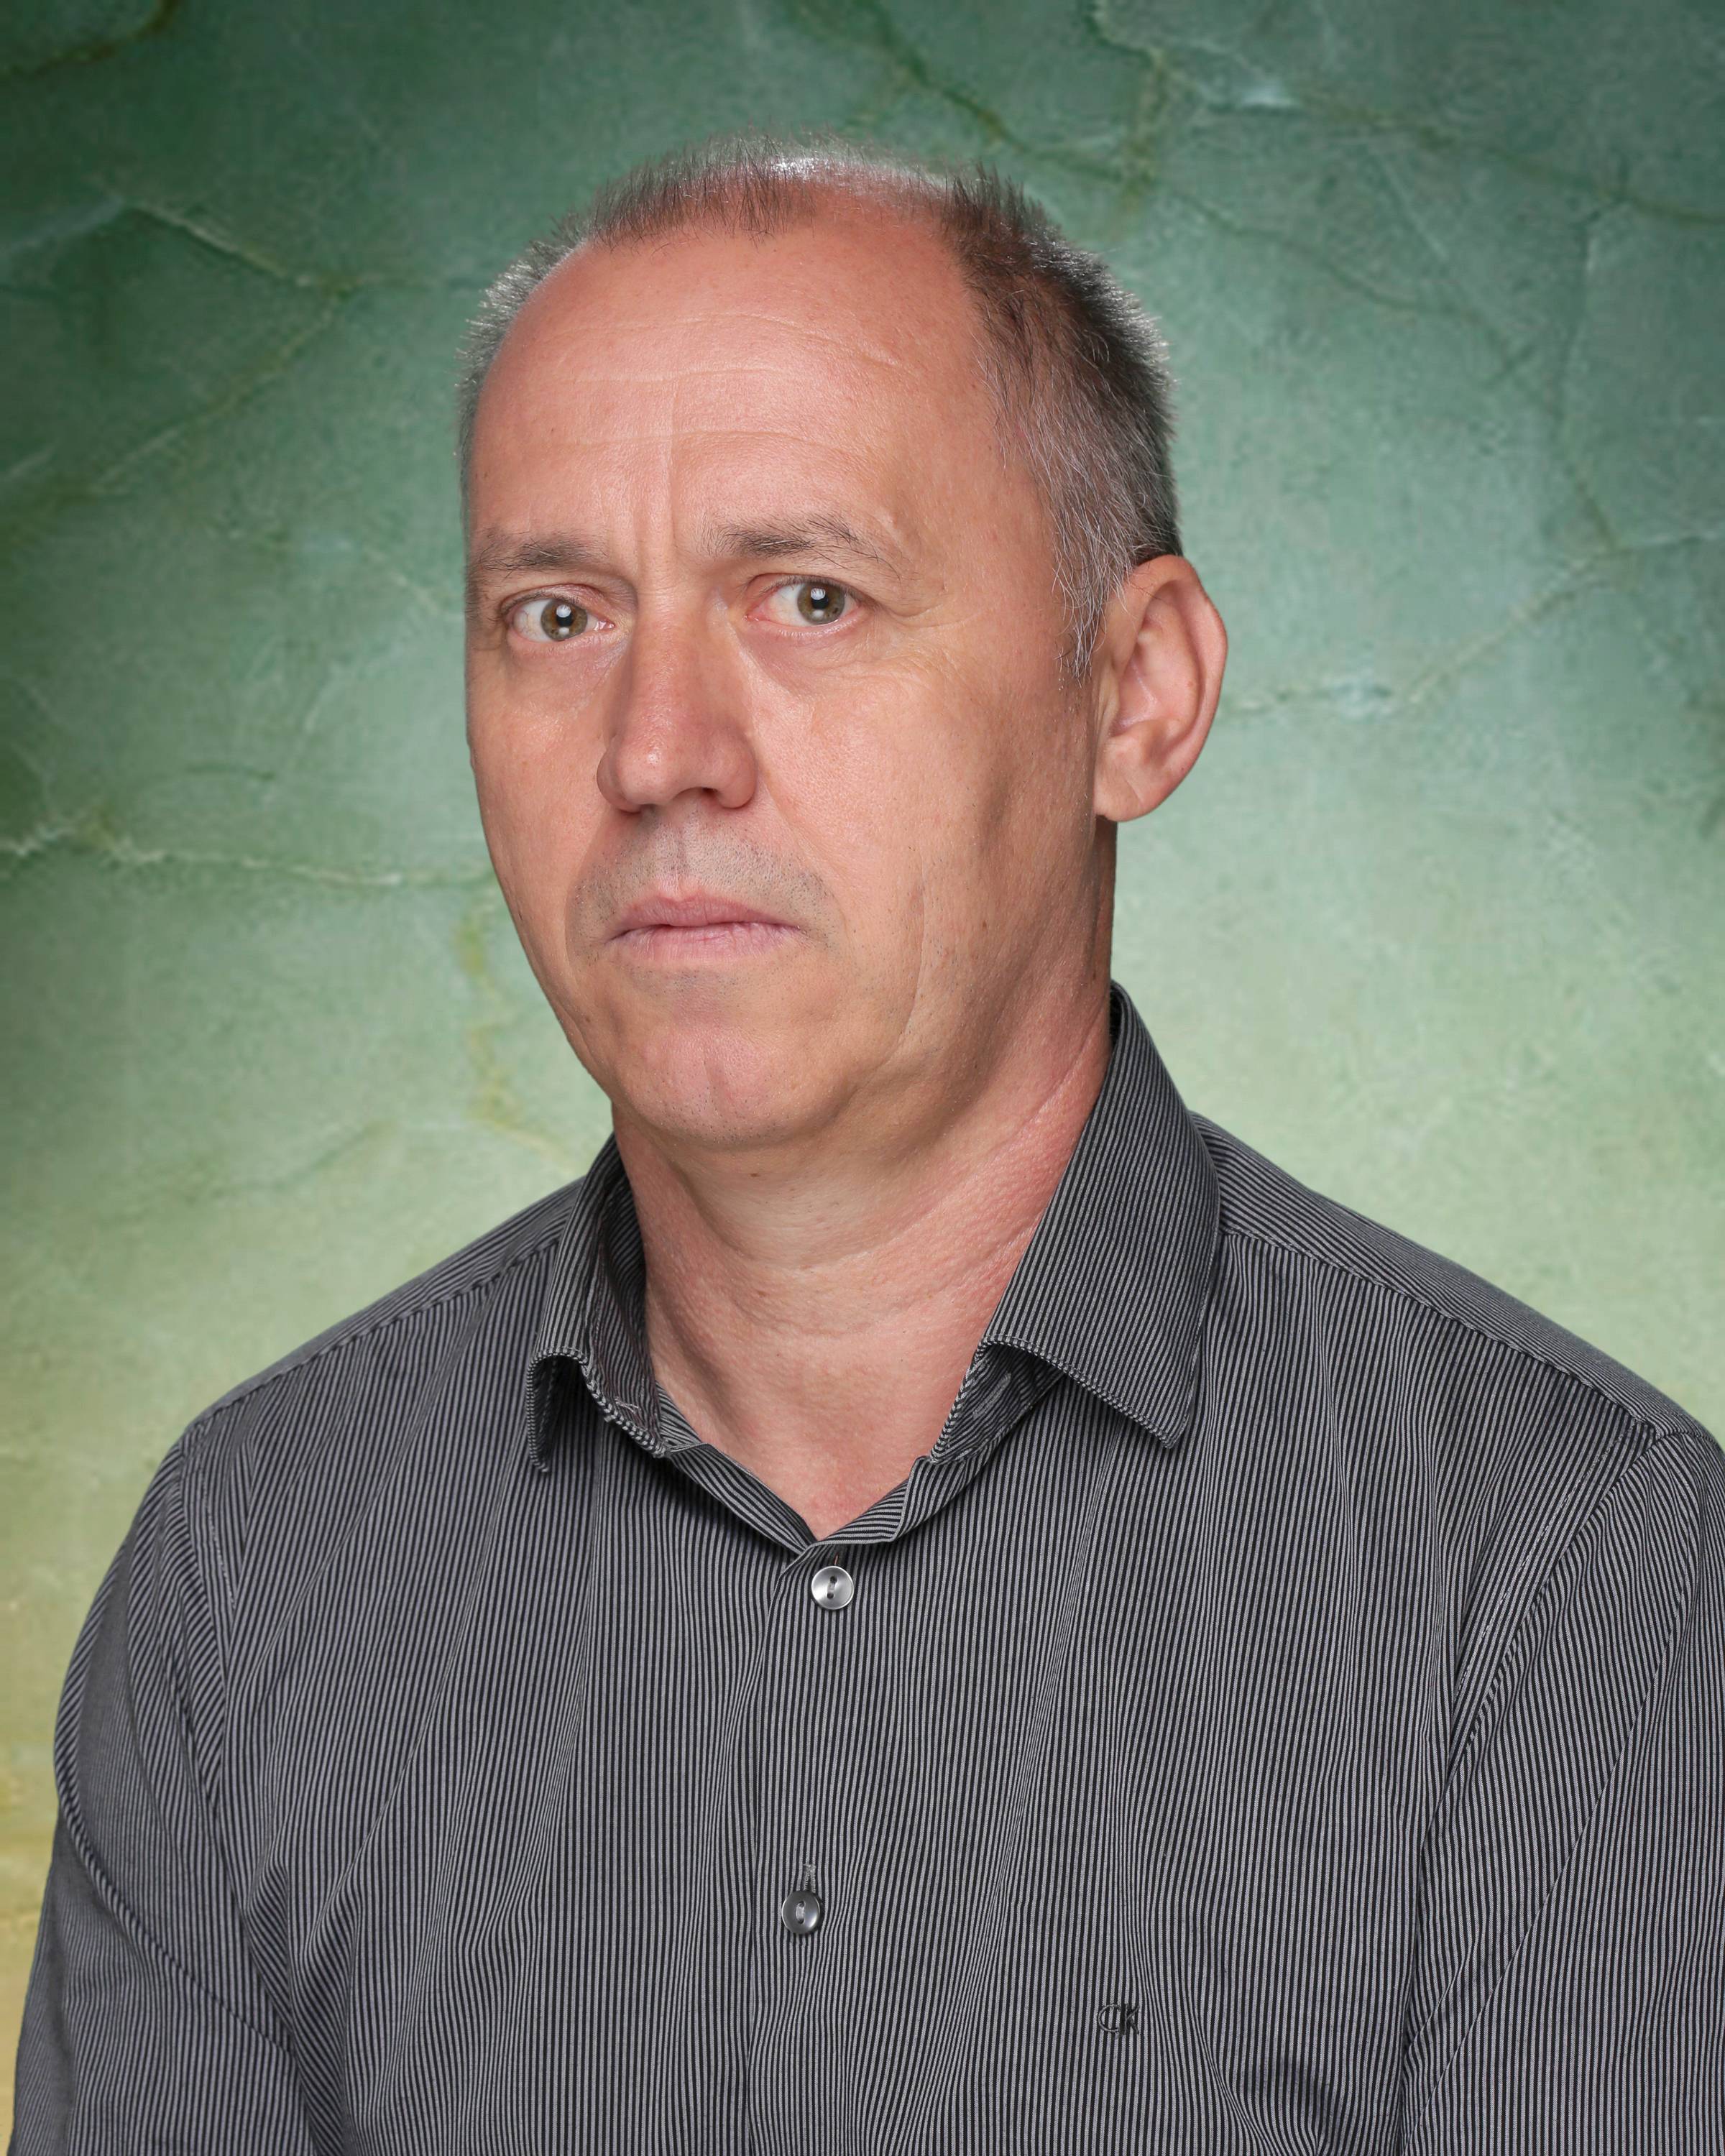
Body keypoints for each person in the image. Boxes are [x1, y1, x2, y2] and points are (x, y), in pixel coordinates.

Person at [11, 134, 1722, 2154]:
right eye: (557, 614)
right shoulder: (251, 1569)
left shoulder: (1570, 1578)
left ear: (1137, 694)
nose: (657, 751)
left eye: (810, 598)